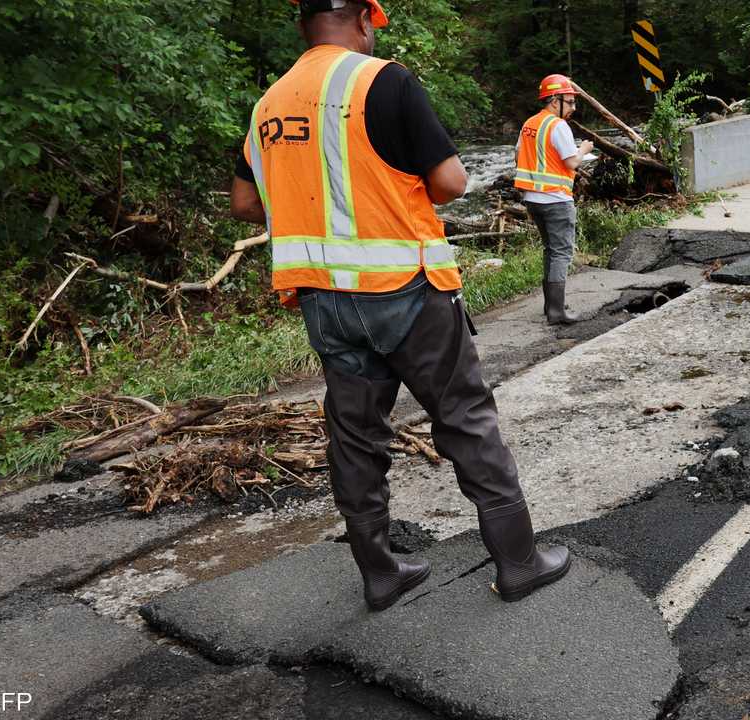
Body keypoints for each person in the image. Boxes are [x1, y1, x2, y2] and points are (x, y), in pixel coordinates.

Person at [229, 0, 569, 611]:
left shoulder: (269, 104)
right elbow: (451, 183)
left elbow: (247, 204)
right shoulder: (382, 80)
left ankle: (381, 572)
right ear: (362, 17)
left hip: (323, 299)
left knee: (355, 436)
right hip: (406, 291)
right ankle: (519, 562)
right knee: (465, 417)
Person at [514, 74, 595, 324]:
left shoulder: (530, 123)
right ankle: (557, 311)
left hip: (533, 200)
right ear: (553, 100)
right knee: (561, 252)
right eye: (569, 102)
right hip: (556, 200)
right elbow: (571, 161)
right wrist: (584, 149)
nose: (573, 108)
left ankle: (551, 305)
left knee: (550, 250)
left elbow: (519, 154)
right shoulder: (558, 126)